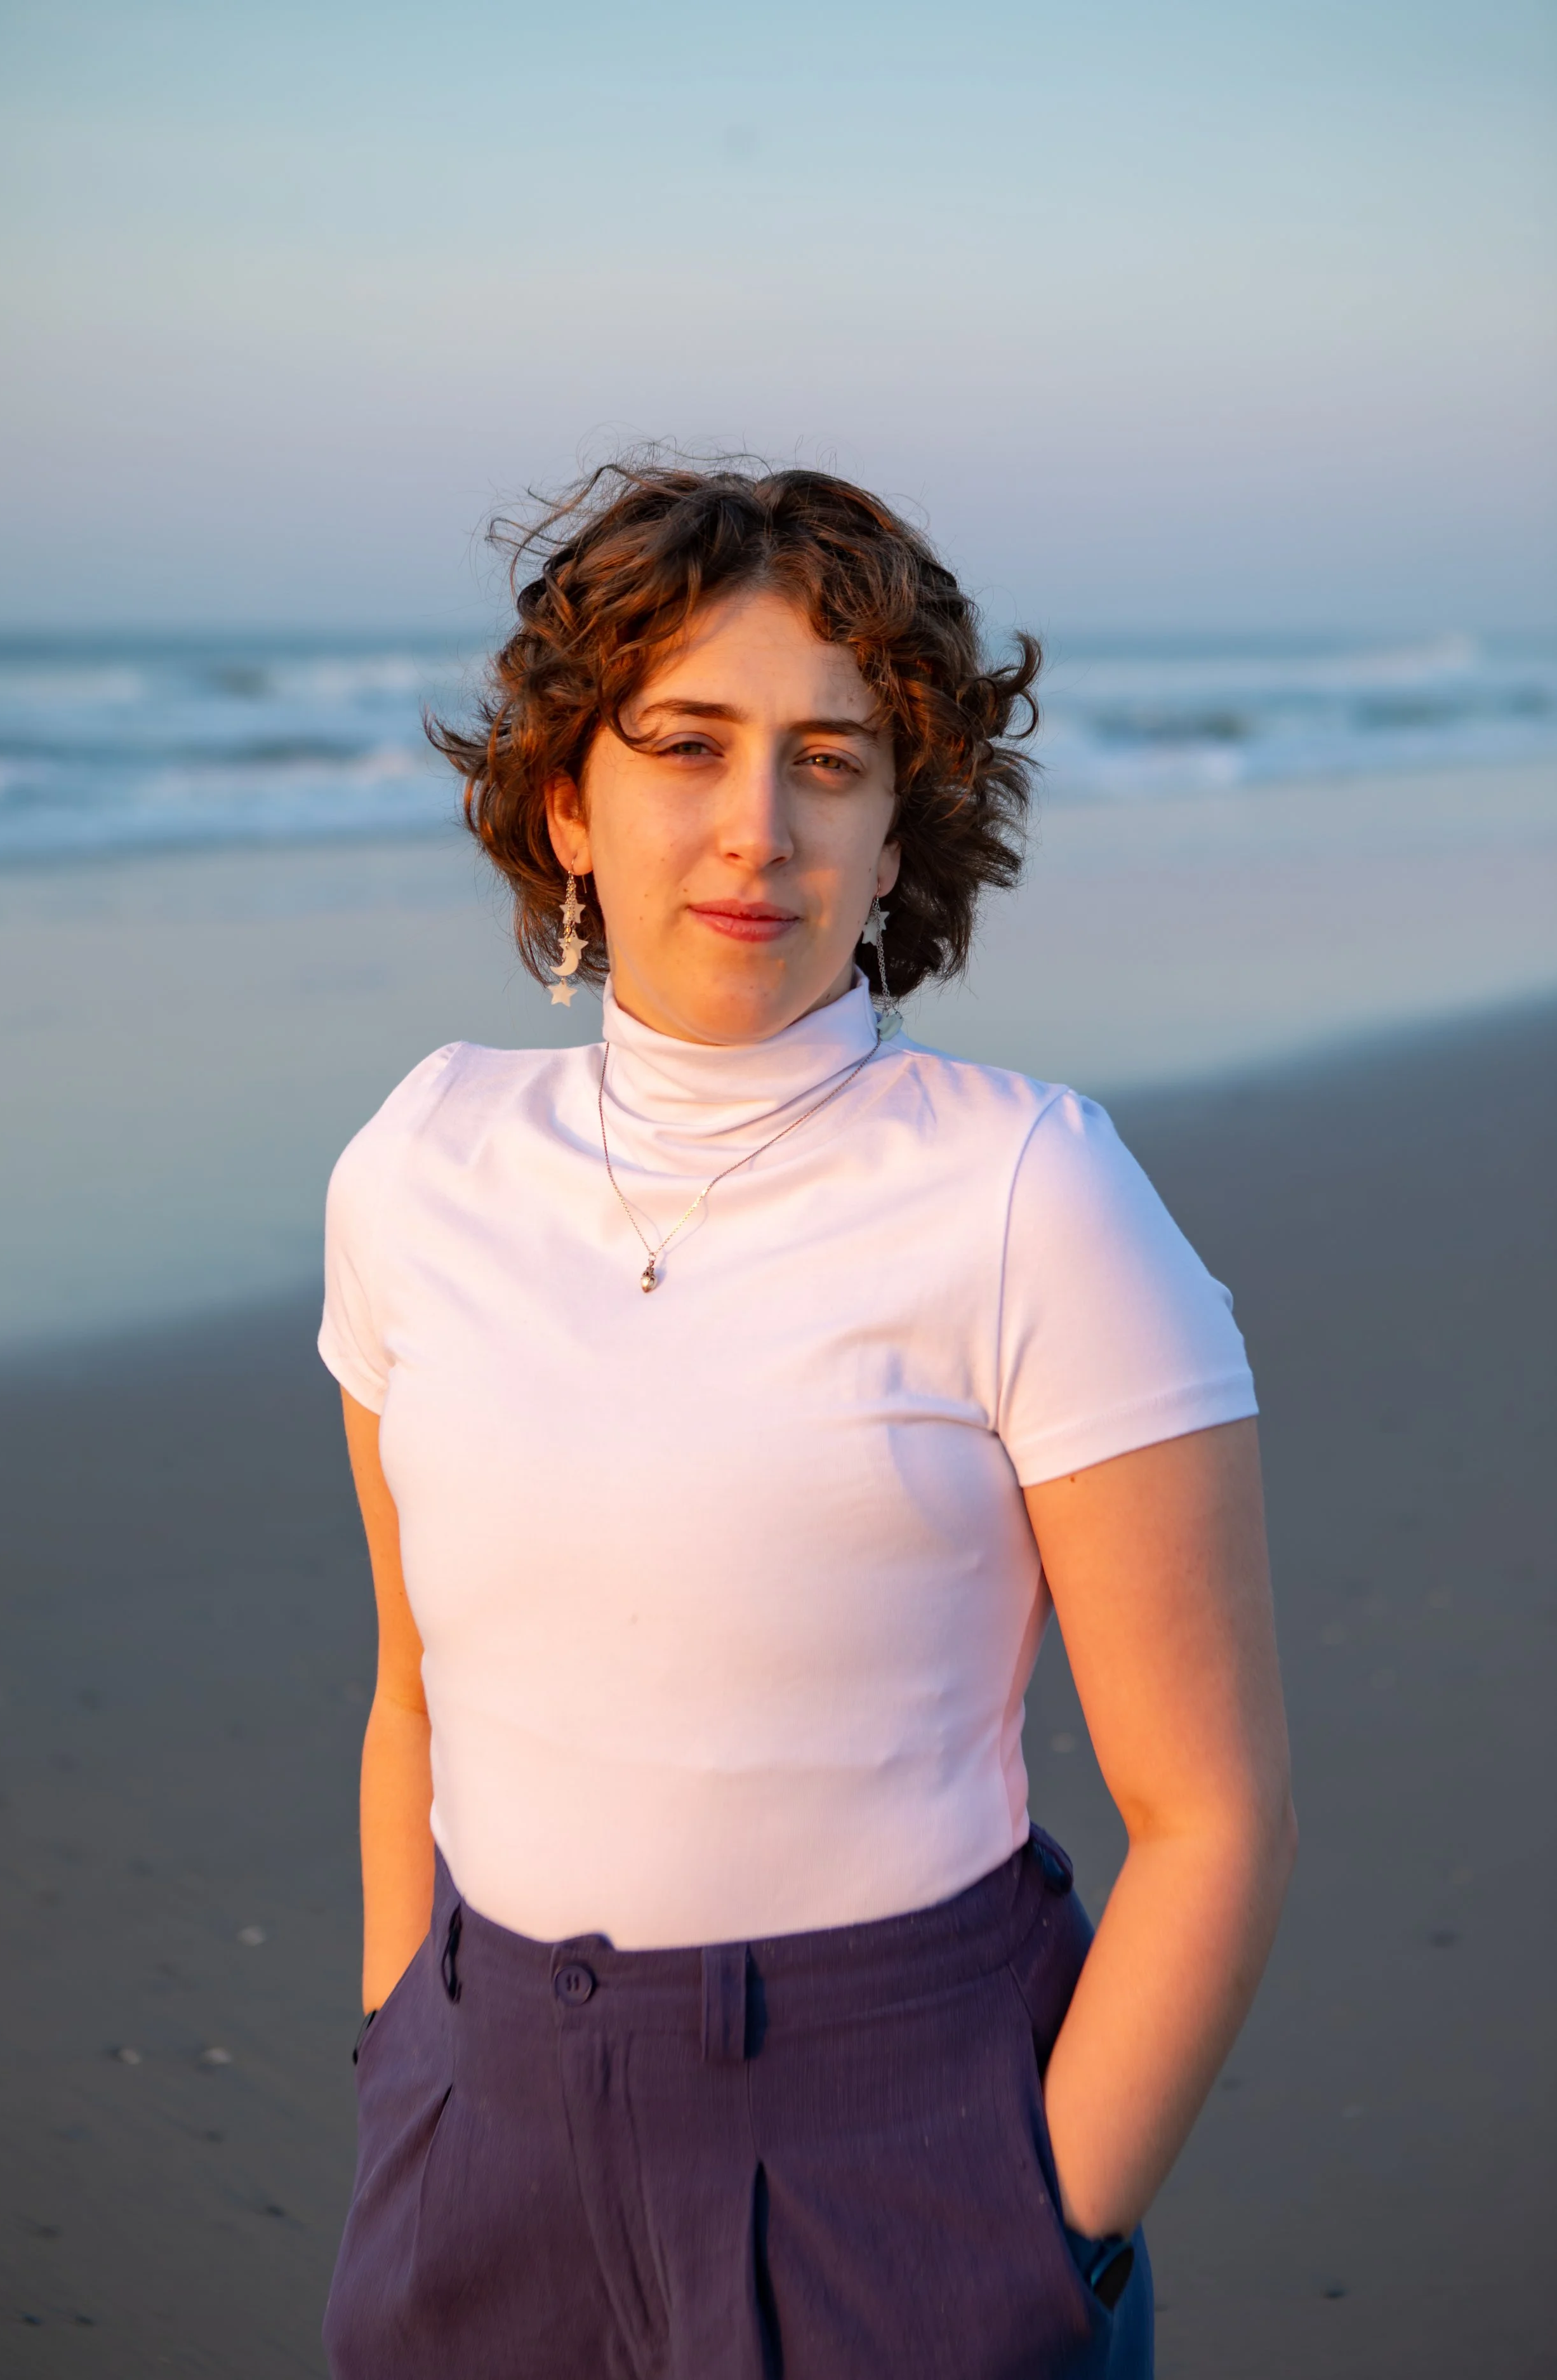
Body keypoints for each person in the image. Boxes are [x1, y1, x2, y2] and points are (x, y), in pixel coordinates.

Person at [317, 459, 1295, 2380]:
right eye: (686, 743)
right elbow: (413, 1690)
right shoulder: (418, 1160)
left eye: (828, 761)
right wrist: (401, 2066)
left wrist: (1039, 2239)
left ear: (891, 826)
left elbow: (1211, 1813)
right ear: (566, 801)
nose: (754, 826)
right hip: (475, 2129)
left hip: (899, 2152)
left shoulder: (1030, 1192)